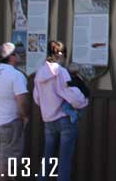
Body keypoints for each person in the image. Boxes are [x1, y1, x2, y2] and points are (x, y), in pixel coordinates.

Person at [33, 41, 87, 181]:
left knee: (48, 158)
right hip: (65, 120)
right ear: (60, 54)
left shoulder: (39, 72)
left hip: (48, 120)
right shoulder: (60, 71)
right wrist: (83, 100)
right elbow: (69, 94)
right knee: (64, 160)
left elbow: (36, 98)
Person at [0, 42, 29, 178]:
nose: (21, 56)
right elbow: (22, 100)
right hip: (10, 123)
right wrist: (25, 116)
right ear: (12, 57)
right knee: (8, 164)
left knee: (5, 160)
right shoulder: (17, 75)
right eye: (19, 53)